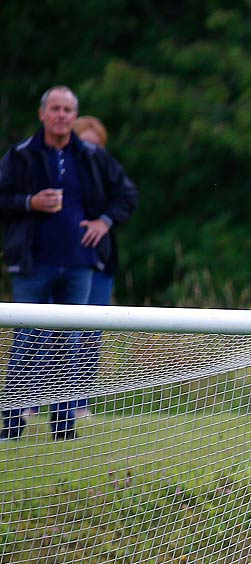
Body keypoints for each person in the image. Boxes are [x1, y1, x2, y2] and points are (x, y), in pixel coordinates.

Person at [0, 86, 137, 439]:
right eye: (55, 109)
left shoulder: (92, 157)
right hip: (33, 263)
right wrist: (31, 202)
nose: (61, 115)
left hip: (80, 263)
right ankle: (12, 423)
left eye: (67, 110)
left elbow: (126, 194)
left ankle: (64, 427)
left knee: (70, 341)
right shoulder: (21, 156)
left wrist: (104, 222)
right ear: (42, 114)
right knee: (27, 337)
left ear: (75, 116)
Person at [69, 116, 118, 306]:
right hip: (62, 261)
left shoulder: (108, 172)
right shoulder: (56, 169)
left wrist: (104, 221)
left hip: (100, 258)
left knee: (92, 331)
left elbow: (126, 198)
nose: (92, 151)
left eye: (97, 146)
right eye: (86, 144)